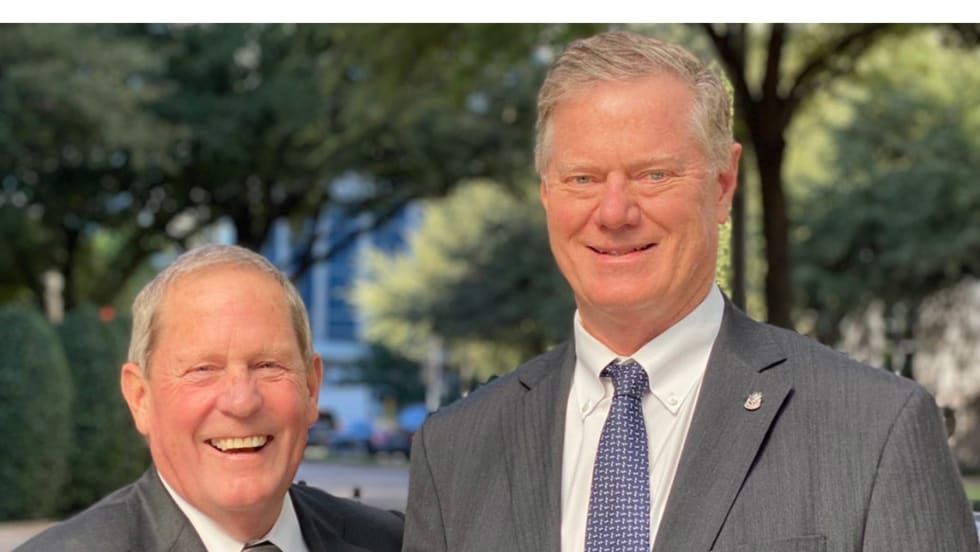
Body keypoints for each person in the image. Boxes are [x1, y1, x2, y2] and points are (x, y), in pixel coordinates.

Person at [402, 30, 978, 552]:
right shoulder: (454, 452)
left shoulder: (875, 429)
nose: (614, 212)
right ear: (547, 193)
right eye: (583, 178)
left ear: (723, 184)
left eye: (654, 174)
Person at [18, 245, 403, 552]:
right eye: (203, 369)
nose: (241, 401)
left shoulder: (396, 542)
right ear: (140, 398)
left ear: (311, 387)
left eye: (267, 365)